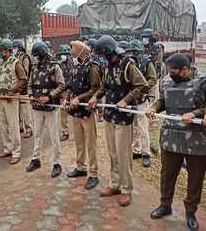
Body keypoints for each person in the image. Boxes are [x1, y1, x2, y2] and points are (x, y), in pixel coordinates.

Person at [146, 54, 206, 231]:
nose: (170, 74)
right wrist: (153, 108)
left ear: (185, 69)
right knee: (167, 174)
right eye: (169, 71)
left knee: (195, 177)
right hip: (172, 136)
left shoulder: (204, 82)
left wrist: (199, 113)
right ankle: (165, 204)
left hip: (197, 139)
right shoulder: (167, 82)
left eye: (174, 71)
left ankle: (191, 211)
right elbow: (163, 100)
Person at [89, 35, 149, 207]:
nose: (101, 58)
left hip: (123, 117)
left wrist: (127, 99)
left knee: (124, 156)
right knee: (112, 153)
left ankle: (126, 189)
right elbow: (103, 87)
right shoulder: (107, 66)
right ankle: (114, 184)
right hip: (109, 115)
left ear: (109, 52)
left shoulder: (128, 65)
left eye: (102, 54)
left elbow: (142, 85)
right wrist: (95, 97)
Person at [26, 42, 66, 178]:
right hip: (36, 107)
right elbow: (30, 84)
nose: (36, 58)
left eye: (37, 56)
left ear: (43, 54)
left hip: (50, 108)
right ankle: (35, 159)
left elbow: (62, 85)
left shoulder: (55, 66)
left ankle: (57, 163)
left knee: (54, 136)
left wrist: (49, 96)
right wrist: (30, 95)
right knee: (37, 135)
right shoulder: (34, 67)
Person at [67, 41, 101, 190]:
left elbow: (96, 88)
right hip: (75, 111)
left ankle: (93, 174)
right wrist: (67, 98)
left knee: (90, 144)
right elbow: (72, 85)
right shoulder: (75, 65)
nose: (71, 52)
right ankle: (81, 167)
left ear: (81, 50)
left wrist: (79, 99)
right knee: (79, 142)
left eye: (73, 49)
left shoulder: (92, 67)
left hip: (87, 111)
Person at [0, 39, 27, 165]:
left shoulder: (16, 63)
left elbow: (23, 79)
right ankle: (7, 148)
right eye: (0, 50)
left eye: (3, 50)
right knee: (3, 125)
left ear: (9, 50)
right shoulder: (0, 62)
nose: (1, 52)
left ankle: (16, 152)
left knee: (13, 125)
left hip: (11, 99)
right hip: (0, 98)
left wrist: (12, 91)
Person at [126, 40, 157, 168]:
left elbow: (153, 79)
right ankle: (137, 150)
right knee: (134, 127)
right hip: (131, 99)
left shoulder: (146, 62)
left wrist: (142, 89)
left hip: (142, 98)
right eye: (129, 52)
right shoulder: (127, 64)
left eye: (133, 52)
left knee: (143, 127)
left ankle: (146, 153)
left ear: (139, 52)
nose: (130, 54)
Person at [13, 39, 33, 139]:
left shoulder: (25, 57)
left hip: (24, 87)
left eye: (15, 47)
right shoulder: (16, 57)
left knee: (25, 110)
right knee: (19, 109)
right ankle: (20, 127)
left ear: (20, 47)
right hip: (18, 87)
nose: (14, 49)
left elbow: (25, 73)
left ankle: (29, 128)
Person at [56, 44, 72, 141]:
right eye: (61, 54)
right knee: (63, 112)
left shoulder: (73, 64)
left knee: (75, 110)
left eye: (64, 54)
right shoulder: (59, 65)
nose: (62, 56)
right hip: (63, 91)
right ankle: (65, 131)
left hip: (72, 91)